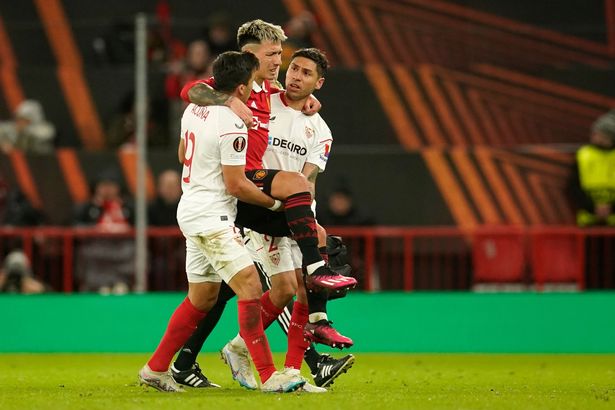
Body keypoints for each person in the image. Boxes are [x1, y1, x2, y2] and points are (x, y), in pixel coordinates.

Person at [171, 47, 355, 392]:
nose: (295, 76)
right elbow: (192, 90)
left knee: (292, 284)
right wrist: (227, 101)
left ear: (319, 82)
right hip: (258, 204)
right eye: (293, 68)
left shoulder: (321, 130)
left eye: (305, 73)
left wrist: (305, 215)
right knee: (283, 285)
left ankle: (289, 362)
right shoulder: (263, 98)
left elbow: (309, 180)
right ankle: (296, 340)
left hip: (293, 209)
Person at [138, 51, 306, 393]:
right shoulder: (233, 124)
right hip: (213, 213)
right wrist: (273, 203)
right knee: (250, 286)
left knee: (202, 298)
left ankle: (155, 369)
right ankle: (269, 375)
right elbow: (237, 184)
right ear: (243, 88)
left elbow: (183, 155)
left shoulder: (193, 110)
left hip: (191, 206)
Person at [73, 171, 135, 293]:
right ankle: (98, 286)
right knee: (88, 255)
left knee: (136, 252)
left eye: (111, 186)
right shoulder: (87, 207)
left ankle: (122, 283)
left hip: (122, 248)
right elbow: (76, 226)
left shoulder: (128, 207)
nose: (107, 190)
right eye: (103, 186)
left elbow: (137, 225)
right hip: (96, 247)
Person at [569, 109, 615, 227]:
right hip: (589, 222)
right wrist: (593, 208)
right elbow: (573, 187)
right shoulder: (583, 154)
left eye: (600, 133)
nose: (595, 136)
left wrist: (611, 208)